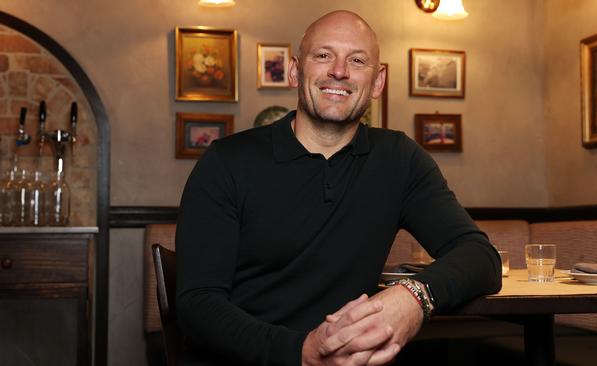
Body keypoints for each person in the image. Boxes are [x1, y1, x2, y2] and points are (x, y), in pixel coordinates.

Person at [176, 10, 502, 366]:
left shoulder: (398, 159)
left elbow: (480, 257)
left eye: (357, 60)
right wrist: (301, 353)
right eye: (324, 55)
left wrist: (414, 297)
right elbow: (198, 303)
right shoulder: (227, 161)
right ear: (295, 71)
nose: (339, 71)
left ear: (378, 83)